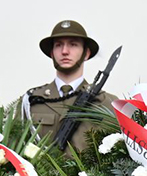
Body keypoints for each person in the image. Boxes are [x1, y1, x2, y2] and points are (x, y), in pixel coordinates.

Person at [21, 20, 116, 154]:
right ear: (52, 53)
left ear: (86, 53)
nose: (65, 51)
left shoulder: (107, 103)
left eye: (73, 44)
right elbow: (14, 148)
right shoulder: (30, 102)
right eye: (58, 45)